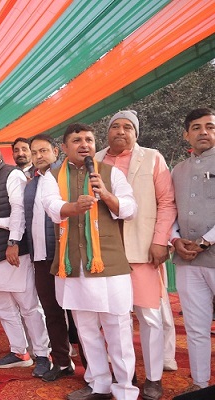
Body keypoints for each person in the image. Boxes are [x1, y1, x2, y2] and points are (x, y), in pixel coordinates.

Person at [40, 123, 138, 400]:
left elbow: (130, 208)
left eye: (89, 139)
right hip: (73, 264)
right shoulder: (52, 176)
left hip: (109, 264)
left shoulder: (111, 173)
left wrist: (105, 194)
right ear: (64, 147)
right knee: (85, 330)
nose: (84, 144)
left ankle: (126, 390)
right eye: (77, 140)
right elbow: (50, 205)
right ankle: (99, 385)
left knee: (118, 329)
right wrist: (73, 207)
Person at [96, 110, 177, 400]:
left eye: (127, 127)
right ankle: (124, 374)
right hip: (105, 252)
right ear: (107, 132)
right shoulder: (95, 160)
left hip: (142, 249)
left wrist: (160, 241)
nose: (121, 131)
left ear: (136, 133)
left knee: (149, 316)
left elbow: (167, 202)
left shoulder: (152, 158)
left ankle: (153, 378)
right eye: (115, 126)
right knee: (113, 318)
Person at [0, 135, 51, 377]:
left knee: (28, 305)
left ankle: (43, 354)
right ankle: (19, 352)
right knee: (2, 306)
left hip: (11, 250)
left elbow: (20, 211)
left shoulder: (12, 174)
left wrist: (13, 241)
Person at [24, 134, 83, 382]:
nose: (38, 156)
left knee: (79, 313)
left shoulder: (66, 176)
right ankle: (62, 362)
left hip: (65, 254)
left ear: (56, 152)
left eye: (43, 150)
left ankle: (92, 366)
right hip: (40, 257)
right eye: (34, 152)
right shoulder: (31, 184)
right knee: (52, 311)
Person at [170, 107, 215, 393]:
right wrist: (175, 239)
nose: (204, 132)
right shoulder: (177, 170)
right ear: (186, 134)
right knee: (196, 327)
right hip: (187, 260)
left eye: (210, 126)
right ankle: (200, 385)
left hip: (209, 253)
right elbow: (170, 209)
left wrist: (204, 241)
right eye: (196, 127)